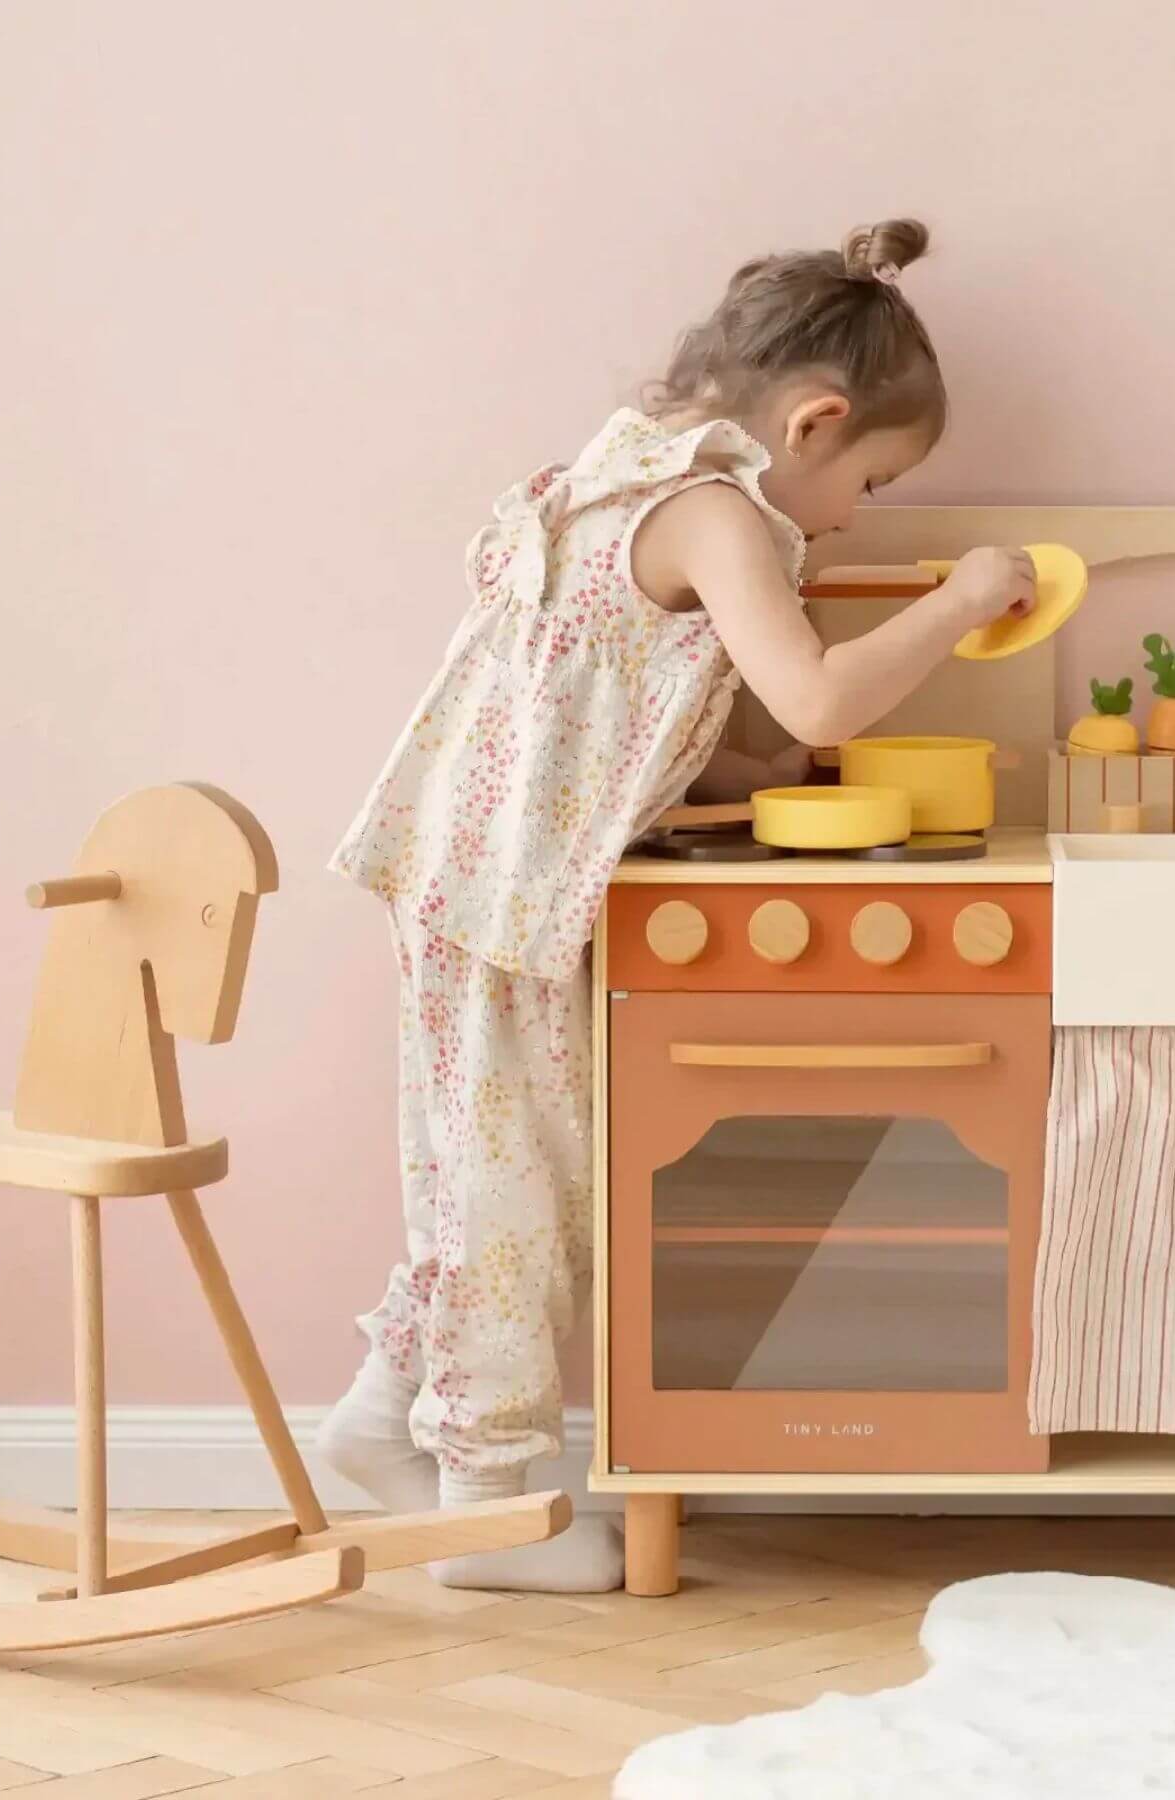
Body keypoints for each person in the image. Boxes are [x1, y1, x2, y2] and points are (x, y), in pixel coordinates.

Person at [320, 218, 1033, 1590]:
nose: (857, 517)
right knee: (519, 1186)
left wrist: (753, 771)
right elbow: (817, 686)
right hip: (506, 892)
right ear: (816, 422)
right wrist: (964, 599)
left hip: (476, 875)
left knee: (492, 1173)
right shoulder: (719, 511)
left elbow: (617, 694)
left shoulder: (616, 470)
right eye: (872, 481)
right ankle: (487, 1507)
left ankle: (382, 1421)